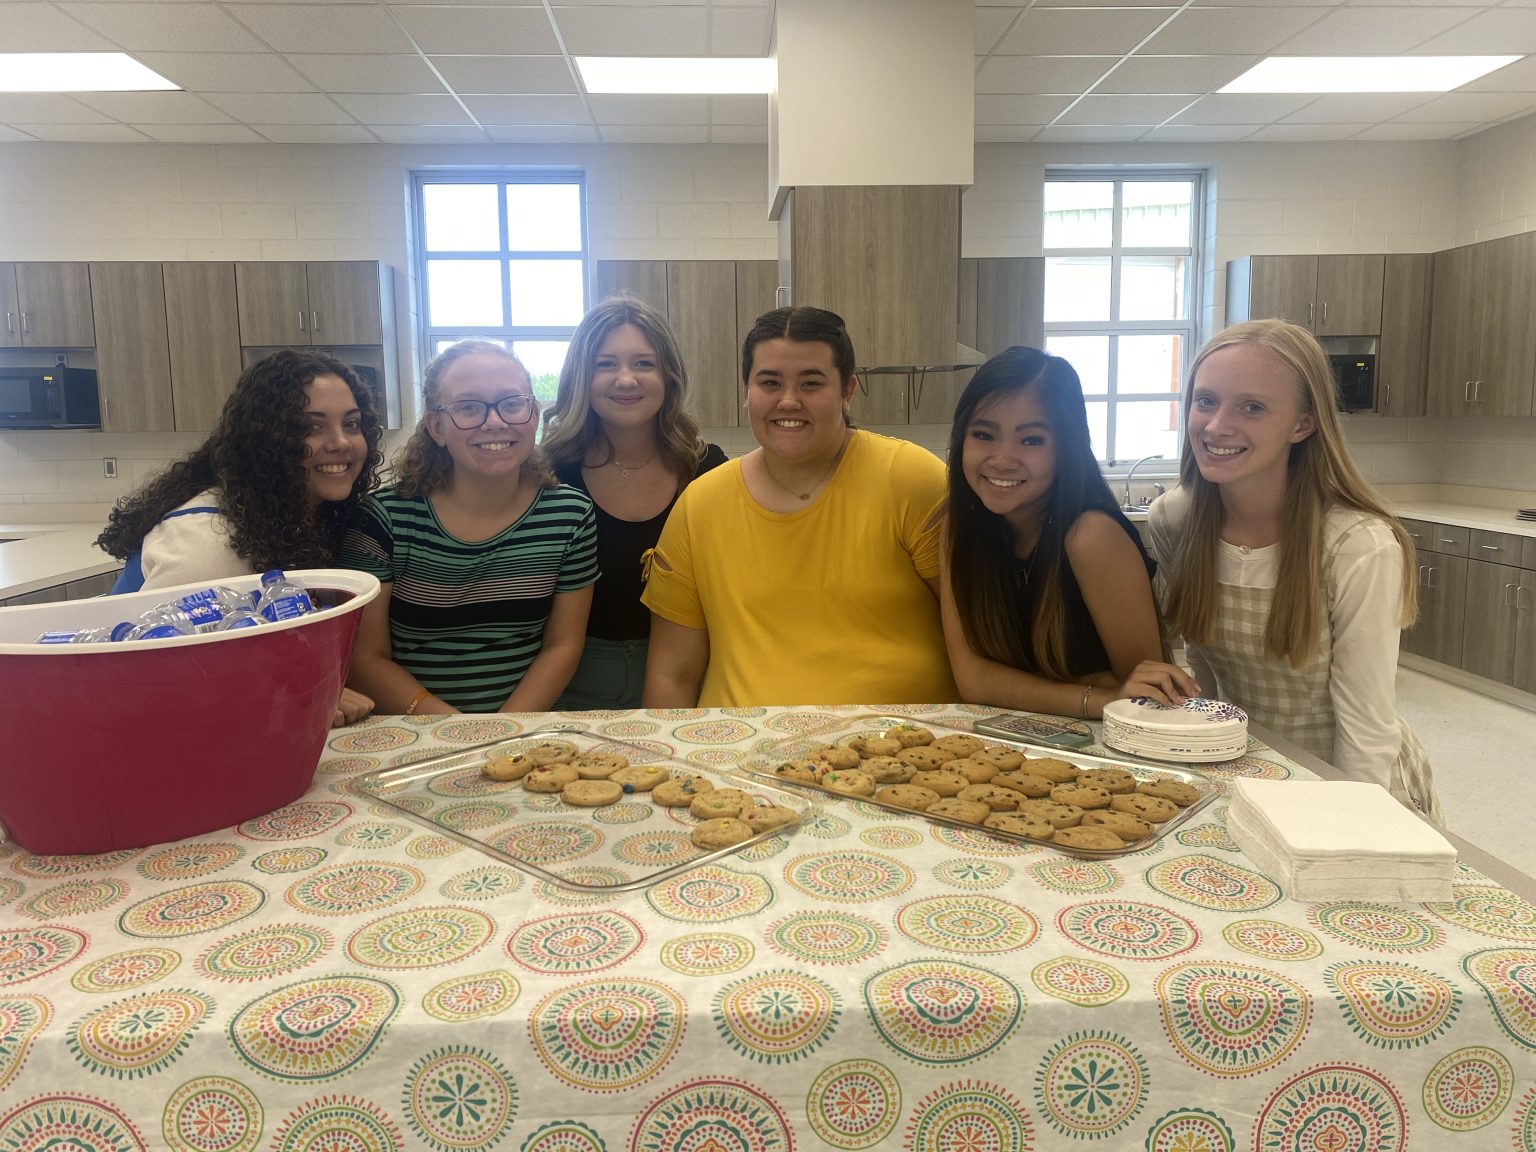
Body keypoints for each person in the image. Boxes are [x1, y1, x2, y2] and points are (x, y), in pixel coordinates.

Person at [1148, 319, 1441, 819]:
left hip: (1346, 780)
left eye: (1252, 407)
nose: (1216, 425)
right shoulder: (1176, 519)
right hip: (1245, 768)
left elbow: (1366, 726)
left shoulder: (1355, 546)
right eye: (1205, 400)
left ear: (1303, 424)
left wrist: (1349, 828)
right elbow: (1202, 667)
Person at [642, 305, 957, 707]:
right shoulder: (700, 505)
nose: (788, 401)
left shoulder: (913, 480)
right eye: (770, 382)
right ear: (746, 392)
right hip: (736, 752)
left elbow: (975, 642)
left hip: (898, 750)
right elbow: (672, 674)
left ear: (847, 391)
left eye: (811, 383)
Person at [96, 349, 384, 727]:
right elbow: (164, 677)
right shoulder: (210, 537)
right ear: (265, 439)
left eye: (351, 424)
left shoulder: (294, 515)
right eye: (310, 427)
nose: (340, 442)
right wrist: (303, 692)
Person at [338, 340, 598, 715]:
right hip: (412, 730)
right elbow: (366, 659)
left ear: (534, 416)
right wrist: (457, 731)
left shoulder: (570, 514)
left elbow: (563, 645)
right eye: (469, 407)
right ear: (436, 426)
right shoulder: (383, 518)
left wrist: (502, 731)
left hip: (520, 729)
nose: (495, 422)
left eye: (512, 403)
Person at [941, 346, 1193, 719]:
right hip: (1017, 736)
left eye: (1031, 440)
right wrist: (1096, 694)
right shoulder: (958, 526)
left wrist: (1041, 691)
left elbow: (1146, 693)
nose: (1003, 459)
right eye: (984, 435)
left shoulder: (1090, 536)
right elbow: (975, 681)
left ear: (1066, 447)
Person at [541, 295, 727, 709]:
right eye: (606, 364)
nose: (626, 380)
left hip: (693, 675)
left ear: (669, 376)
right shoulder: (548, 474)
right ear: (580, 377)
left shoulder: (707, 469)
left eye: (644, 363)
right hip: (571, 682)